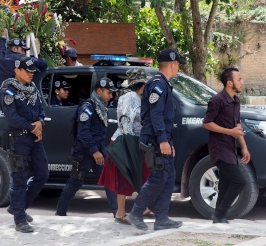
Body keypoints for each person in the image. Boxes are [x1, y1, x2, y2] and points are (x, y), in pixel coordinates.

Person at [127, 48, 185, 231]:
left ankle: (161, 218)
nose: (179, 69)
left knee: (168, 177)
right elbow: (156, 113)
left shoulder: (164, 84)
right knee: (159, 177)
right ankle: (136, 213)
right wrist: (162, 139)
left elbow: (165, 118)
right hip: (154, 139)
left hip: (162, 138)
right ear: (173, 64)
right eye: (178, 65)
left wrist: (169, 142)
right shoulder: (157, 84)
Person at [0, 56, 49, 233]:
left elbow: (40, 109)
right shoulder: (8, 90)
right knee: (19, 179)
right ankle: (19, 219)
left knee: (42, 173)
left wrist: (40, 122)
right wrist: (31, 127)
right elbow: (11, 117)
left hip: (34, 138)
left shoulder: (33, 88)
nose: (31, 75)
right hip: (19, 138)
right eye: (27, 72)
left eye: (32, 72)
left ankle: (17, 207)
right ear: (17, 71)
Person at [56, 77, 118, 216]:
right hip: (85, 153)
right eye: (108, 92)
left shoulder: (101, 107)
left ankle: (117, 213)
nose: (111, 96)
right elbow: (83, 133)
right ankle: (60, 212)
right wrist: (95, 151)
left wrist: (98, 151)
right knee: (75, 183)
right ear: (99, 91)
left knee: (109, 180)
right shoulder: (87, 108)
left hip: (98, 151)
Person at [98, 68, 153, 224]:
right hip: (126, 142)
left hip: (137, 142)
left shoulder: (141, 97)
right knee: (125, 177)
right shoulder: (129, 98)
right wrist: (131, 146)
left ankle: (143, 207)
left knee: (143, 174)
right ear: (141, 84)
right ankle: (120, 212)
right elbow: (126, 122)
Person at [202, 68, 251, 224]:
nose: (242, 82)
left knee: (226, 183)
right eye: (239, 79)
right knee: (239, 181)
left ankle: (218, 215)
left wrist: (244, 147)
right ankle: (220, 213)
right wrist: (229, 132)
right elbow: (206, 123)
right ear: (229, 83)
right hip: (219, 148)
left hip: (230, 147)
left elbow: (237, 125)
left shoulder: (235, 100)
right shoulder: (217, 100)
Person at [0, 28, 47, 109]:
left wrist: (3, 37)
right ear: (14, 49)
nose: (24, 53)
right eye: (22, 50)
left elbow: (1, 46)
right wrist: (34, 56)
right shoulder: (20, 58)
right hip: (12, 99)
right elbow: (42, 63)